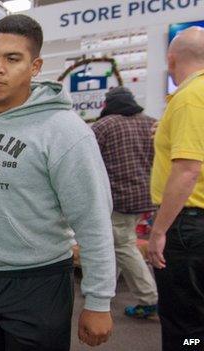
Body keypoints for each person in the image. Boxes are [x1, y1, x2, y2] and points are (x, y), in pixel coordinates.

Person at [0, 14, 115, 350]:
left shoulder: (65, 132)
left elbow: (92, 219)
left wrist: (98, 301)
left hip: (40, 282)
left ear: (35, 67)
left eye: (12, 59)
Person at [147, 26, 204, 350]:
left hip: (187, 224)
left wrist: (159, 231)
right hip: (196, 222)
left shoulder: (189, 97)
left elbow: (187, 170)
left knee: (185, 323)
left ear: (171, 59)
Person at [92, 86, 159, 319]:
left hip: (117, 199)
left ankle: (150, 299)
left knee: (123, 245)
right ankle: (106, 289)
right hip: (145, 197)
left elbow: (88, 163)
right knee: (117, 242)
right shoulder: (150, 123)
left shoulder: (104, 126)